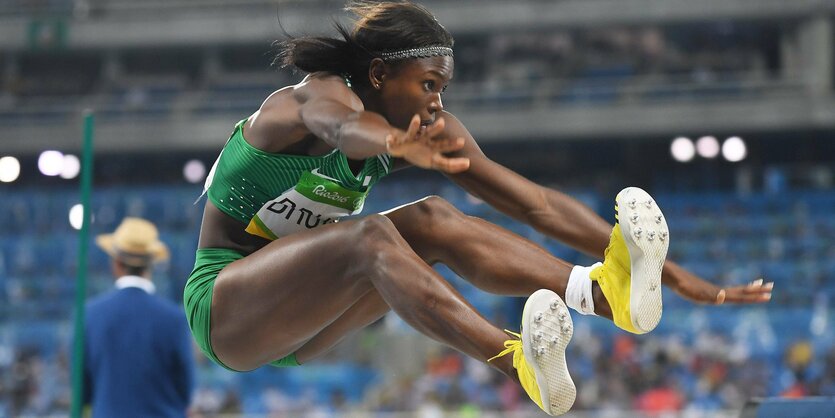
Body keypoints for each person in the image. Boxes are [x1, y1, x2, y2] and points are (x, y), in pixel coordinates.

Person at [184, 2, 773, 415]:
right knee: (370, 239)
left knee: (433, 220)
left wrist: (675, 277)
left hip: (304, 323)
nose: (438, 102)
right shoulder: (309, 100)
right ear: (380, 74)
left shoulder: (425, 125)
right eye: (428, 85)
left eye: (442, 88)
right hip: (226, 313)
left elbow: (536, 205)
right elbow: (337, 124)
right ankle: (515, 360)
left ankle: (606, 292)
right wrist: (393, 143)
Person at [84, 217, 195, 417]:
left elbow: (82, 390)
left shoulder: (90, 315)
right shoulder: (173, 318)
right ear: (151, 264)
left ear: (115, 263)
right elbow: (185, 389)